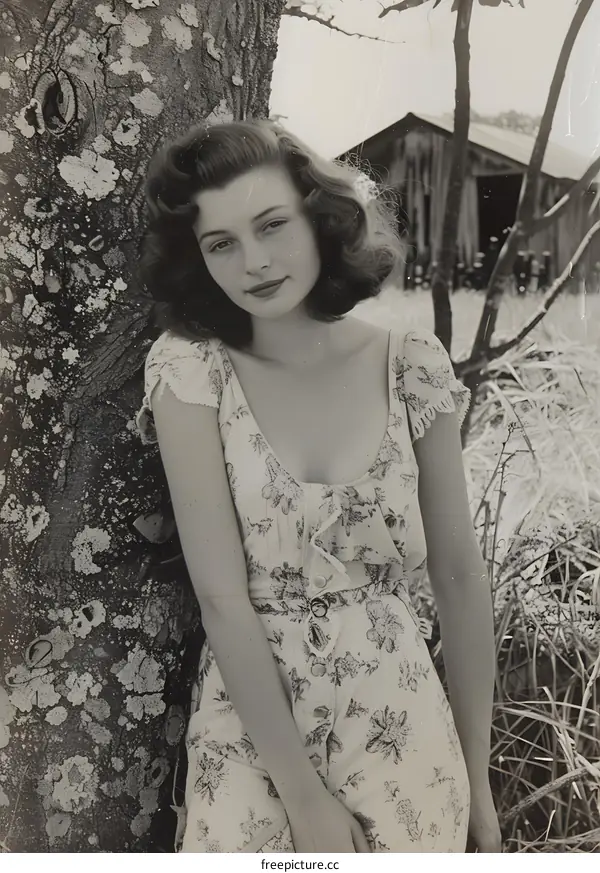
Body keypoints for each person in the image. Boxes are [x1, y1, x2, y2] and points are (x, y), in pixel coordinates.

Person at [135, 119, 500, 854]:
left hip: (404, 724)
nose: (256, 261)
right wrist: (304, 799)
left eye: (273, 225)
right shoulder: (191, 371)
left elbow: (459, 574)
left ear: (319, 219)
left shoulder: (410, 364)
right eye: (222, 243)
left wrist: (479, 780)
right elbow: (222, 596)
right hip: (255, 737)